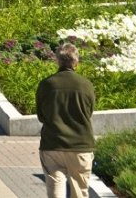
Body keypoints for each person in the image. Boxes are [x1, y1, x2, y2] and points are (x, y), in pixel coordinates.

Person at [36, 44, 97, 198]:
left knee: (55, 188)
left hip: (53, 143)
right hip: (80, 145)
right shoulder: (86, 85)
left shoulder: (46, 84)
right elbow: (88, 113)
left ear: (58, 61)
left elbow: (41, 116)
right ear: (75, 62)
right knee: (80, 191)